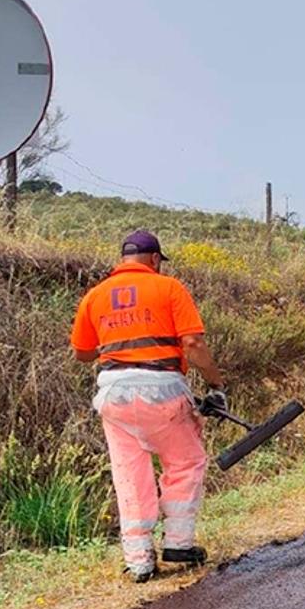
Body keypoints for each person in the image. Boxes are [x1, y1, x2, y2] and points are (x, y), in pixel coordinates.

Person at [70, 231, 228, 583]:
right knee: (186, 462)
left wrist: (118, 347)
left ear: (123, 260)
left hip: (114, 394)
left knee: (129, 473)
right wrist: (216, 384)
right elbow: (193, 343)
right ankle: (179, 543)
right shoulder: (168, 288)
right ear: (155, 259)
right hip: (162, 390)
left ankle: (139, 558)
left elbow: (82, 352)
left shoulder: (94, 296)